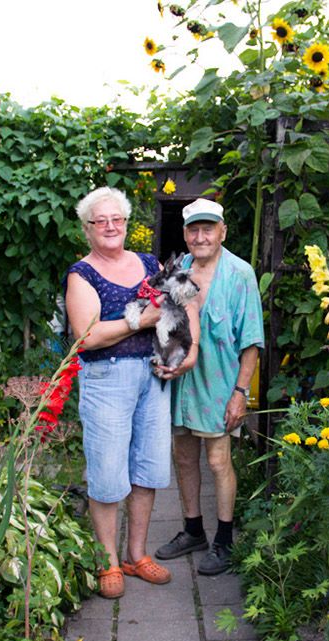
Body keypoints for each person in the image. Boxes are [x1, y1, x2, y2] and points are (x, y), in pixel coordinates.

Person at [64, 186, 197, 598]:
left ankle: (135, 555)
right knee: (106, 473)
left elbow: (183, 299)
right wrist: (140, 321)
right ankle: (106, 562)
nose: (109, 226)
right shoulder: (81, 274)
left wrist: (185, 352)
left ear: (126, 223)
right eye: (99, 221)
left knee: (149, 468)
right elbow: (87, 336)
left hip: (153, 377)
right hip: (107, 379)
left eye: (116, 219)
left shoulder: (146, 262)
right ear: (87, 229)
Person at [154, 198, 264, 575]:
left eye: (208, 229)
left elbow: (251, 340)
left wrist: (241, 393)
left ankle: (224, 540)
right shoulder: (178, 269)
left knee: (218, 461)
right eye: (194, 230)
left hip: (220, 386)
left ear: (222, 232)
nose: (201, 237)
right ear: (185, 235)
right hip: (180, 384)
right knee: (183, 457)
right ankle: (193, 530)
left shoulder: (239, 274)